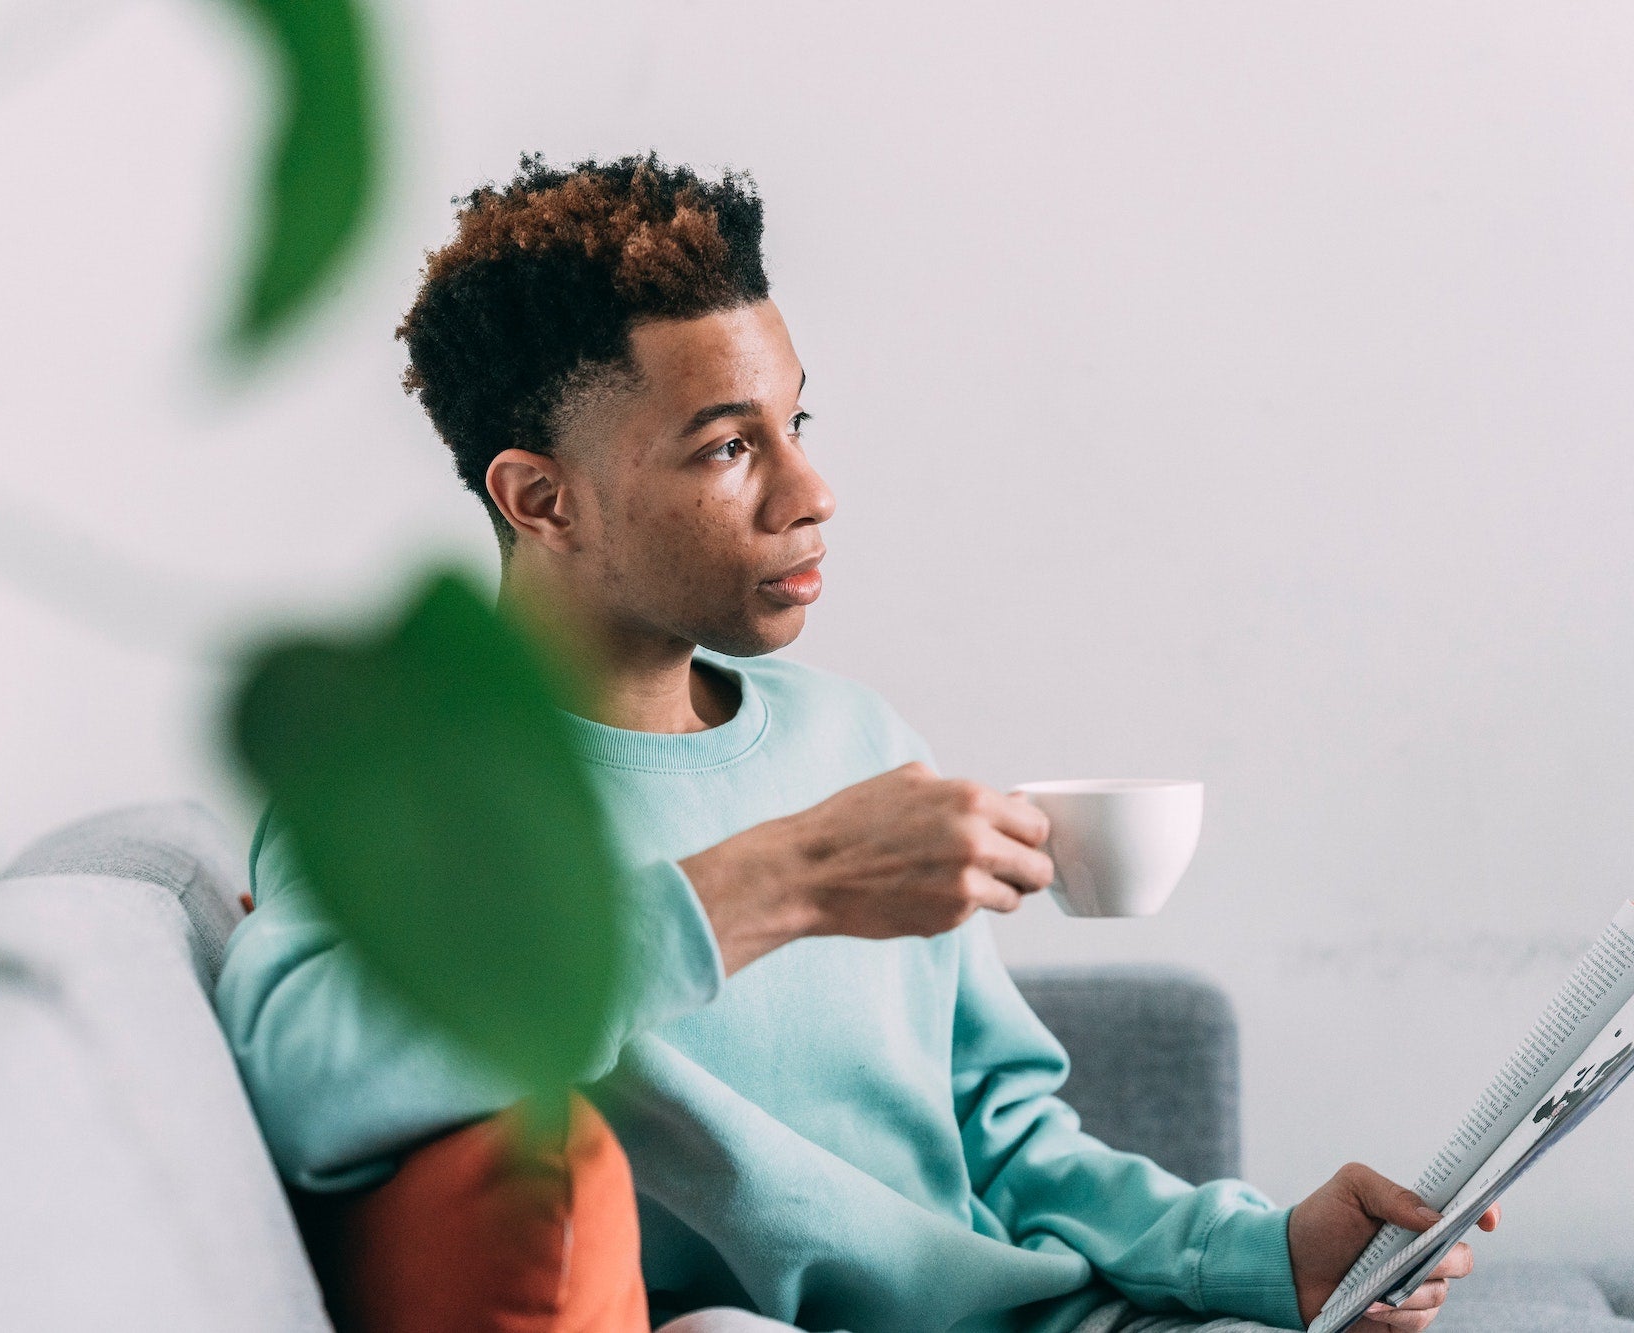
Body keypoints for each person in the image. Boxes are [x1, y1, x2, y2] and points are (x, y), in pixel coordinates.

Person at [217, 153, 1495, 1333]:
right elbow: (302, 1079)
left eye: (796, 425)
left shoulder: (850, 736)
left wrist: (1262, 1254)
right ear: (539, 497)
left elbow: (997, 1136)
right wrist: (786, 880)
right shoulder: (421, 791)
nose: (809, 492)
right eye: (728, 445)